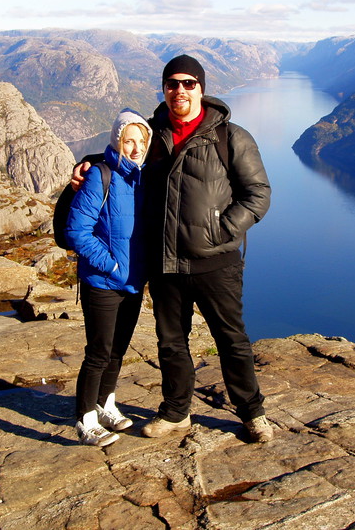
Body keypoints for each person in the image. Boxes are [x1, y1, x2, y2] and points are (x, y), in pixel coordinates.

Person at [73, 55, 273, 443]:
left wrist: (222, 229)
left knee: (231, 339)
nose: (179, 90)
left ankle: (252, 412)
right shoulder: (155, 135)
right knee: (171, 343)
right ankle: (176, 412)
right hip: (167, 262)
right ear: (164, 88)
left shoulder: (230, 137)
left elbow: (258, 194)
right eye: (171, 83)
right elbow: (125, 155)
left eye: (188, 83)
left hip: (217, 261)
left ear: (201, 88)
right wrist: (89, 162)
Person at [65, 108, 151, 447]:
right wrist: (112, 265)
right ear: (116, 141)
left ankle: (107, 405)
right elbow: (77, 231)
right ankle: (85, 420)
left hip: (132, 284)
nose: (134, 148)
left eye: (140, 142)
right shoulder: (100, 176)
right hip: (103, 283)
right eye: (128, 141)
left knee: (118, 351)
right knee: (98, 352)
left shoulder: (142, 180)